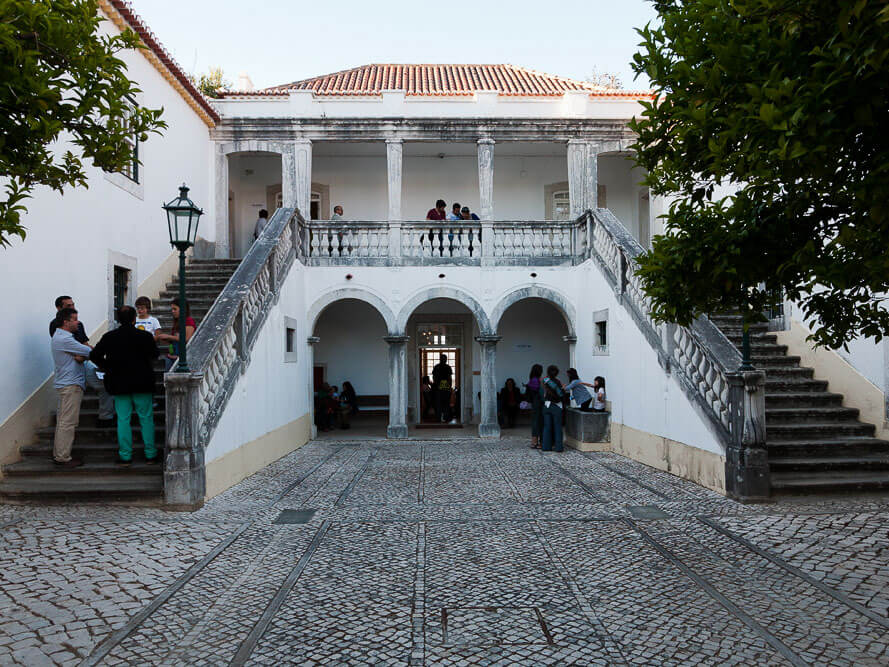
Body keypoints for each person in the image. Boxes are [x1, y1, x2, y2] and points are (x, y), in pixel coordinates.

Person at [90, 306, 159, 466]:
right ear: (134, 318)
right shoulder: (145, 336)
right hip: (142, 382)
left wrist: (108, 367)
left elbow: (94, 355)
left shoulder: (109, 336)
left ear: (118, 319)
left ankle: (125, 456)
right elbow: (155, 355)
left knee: (123, 420)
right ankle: (150, 454)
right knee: (146, 418)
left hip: (119, 383)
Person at [50, 295, 114, 426]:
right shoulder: (55, 326)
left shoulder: (78, 324)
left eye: (73, 304)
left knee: (104, 385)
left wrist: (88, 355)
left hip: (84, 361)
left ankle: (105, 417)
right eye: (69, 306)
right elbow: (69, 349)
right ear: (59, 308)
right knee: (67, 404)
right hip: (71, 368)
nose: (73, 307)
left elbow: (84, 345)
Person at [49, 307, 91, 467]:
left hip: (66, 383)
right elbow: (88, 351)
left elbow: (82, 354)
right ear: (66, 322)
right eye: (74, 319)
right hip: (70, 384)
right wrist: (84, 355)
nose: (77, 322)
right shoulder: (65, 339)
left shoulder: (61, 336)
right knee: (68, 422)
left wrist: (82, 356)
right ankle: (62, 457)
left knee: (63, 421)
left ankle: (59, 454)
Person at [157, 301, 195, 371]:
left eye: (175, 309)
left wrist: (168, 337)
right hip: (171, 357)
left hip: (182, 359)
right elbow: (175, 340)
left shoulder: (189, 320)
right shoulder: (177, 322)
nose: (172, 311)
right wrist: (166, 339)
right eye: (172, 309)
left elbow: (187, 339)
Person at [540, 365, 566, 452]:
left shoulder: (544, 380)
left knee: (547, 427)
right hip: (556, 406)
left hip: (547, 405)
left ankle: (546, 447)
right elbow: (561, 394)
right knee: (557, 427)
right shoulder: (558, 382)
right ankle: (558, 447)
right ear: (557, 373)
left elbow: (542, 394)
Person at [431, 353, 453, 423]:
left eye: (445, 359)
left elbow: (449, 378)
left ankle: (442, 417)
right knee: (441, 404)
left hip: (442, 388)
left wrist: (449, 387)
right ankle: (441, 418)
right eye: (443, 358)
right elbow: (449, 378)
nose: (444, 360)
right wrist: (449, 387)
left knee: (442, 404)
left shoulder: (439, 367)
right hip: (441, 388)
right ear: (440, 359)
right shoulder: (439, 367)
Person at [526, 364, 544, 449]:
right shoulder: (537, 380)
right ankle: (538, 442)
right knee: (539, 422)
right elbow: (540, 393)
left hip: (534, 403)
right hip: (538, 404)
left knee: (535, 422)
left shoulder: (531, 380)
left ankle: (534, 442)